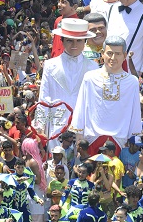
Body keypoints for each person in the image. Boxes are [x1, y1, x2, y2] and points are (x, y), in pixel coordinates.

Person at [70, 35, 142, 153]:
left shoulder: (132, 81)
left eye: (118, 54)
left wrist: (134, 138)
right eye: (109, 53)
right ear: (103, 53)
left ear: (124, 55)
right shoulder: (90, 77)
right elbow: (81, 106)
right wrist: (79, 136)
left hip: (120, 139)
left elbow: (135, 112)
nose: (113, 57)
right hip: (92, 138)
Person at [37, 19, 98, 149]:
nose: (74, 44)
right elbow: (43, 97)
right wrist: (40, 126)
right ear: (63, 40)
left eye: (79, 40)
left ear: (85, 42)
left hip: (83, 125)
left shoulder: (93, 67)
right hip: (55, 124)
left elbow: (95, 102)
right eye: (70, 40)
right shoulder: (50, 65)